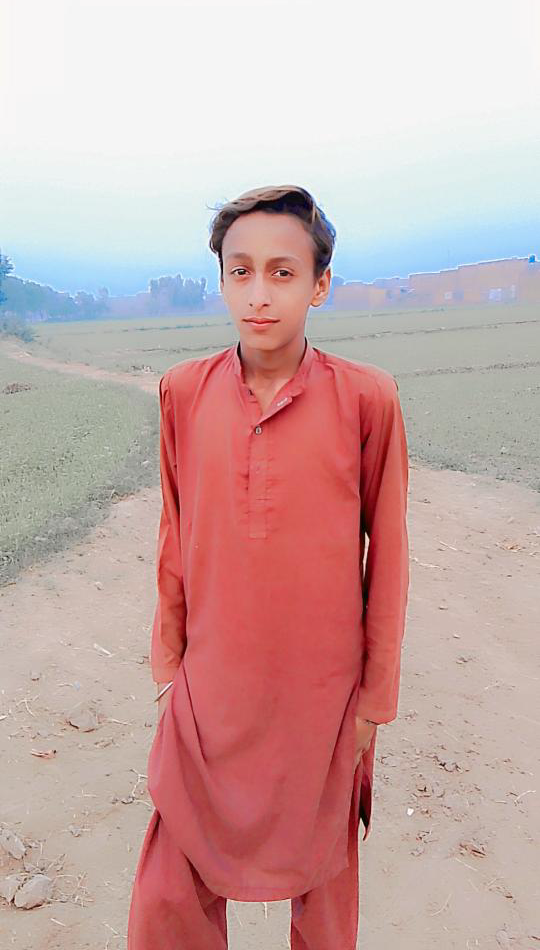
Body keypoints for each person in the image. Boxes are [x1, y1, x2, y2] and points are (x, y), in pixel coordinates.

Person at [127, 184, 410, 949]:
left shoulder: (367, 400)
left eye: (283, 273)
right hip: (210, 691)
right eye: (241, 271)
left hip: (322, 697)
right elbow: (175, 533)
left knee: (323, 890)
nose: (259, 294)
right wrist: (170, 665)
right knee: (169, 892)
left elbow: (388, 558)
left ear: (320, 285)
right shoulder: (184, 392)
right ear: (221, 281)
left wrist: (372, 701)